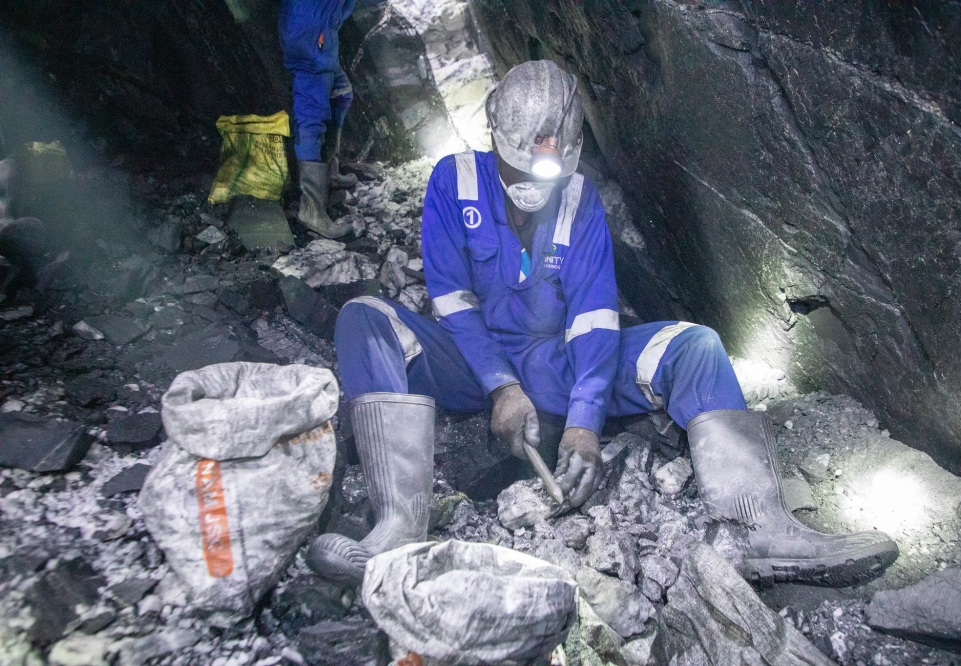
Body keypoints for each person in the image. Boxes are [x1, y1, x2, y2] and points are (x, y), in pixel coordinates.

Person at [308, 60, 899, 586]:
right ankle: (397, 527)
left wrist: (584, 422)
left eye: (548, 176)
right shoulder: (452, 181)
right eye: (519, 175)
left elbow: (594, 316)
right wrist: (500, 386)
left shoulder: (580, 199)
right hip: (471, 358)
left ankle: (759, 530)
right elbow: (451, 298)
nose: (534, 191)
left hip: (559, 363)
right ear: (494, 141)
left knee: (695, 346)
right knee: (365, 318)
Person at [279, 0, 359, 239]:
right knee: (312, 115)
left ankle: (329, 172)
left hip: (321, 28)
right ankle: (312, 208)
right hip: (311, 33)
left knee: (341, 94)